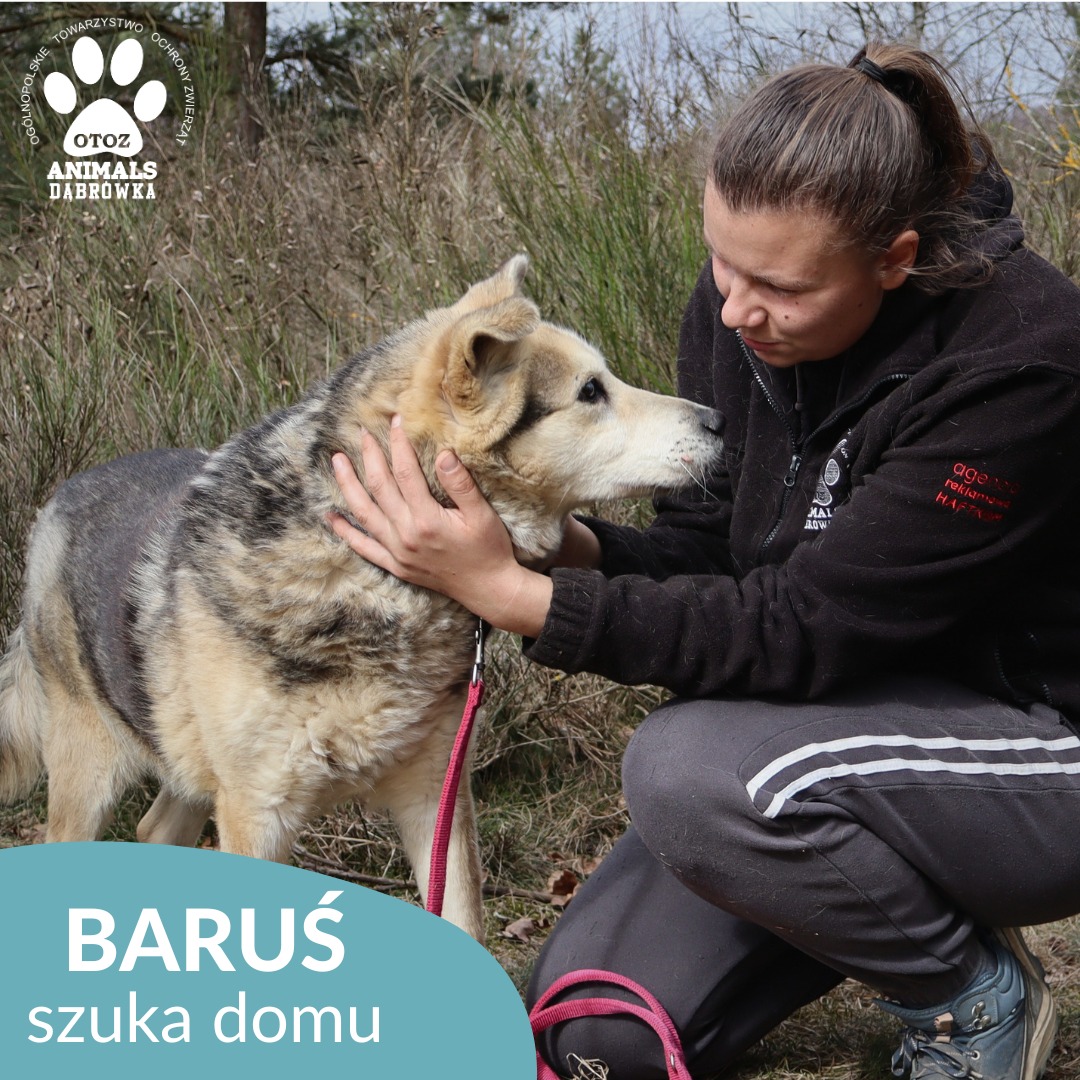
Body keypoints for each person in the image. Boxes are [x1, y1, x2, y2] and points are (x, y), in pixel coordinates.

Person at [328, 43, 1080, 1080]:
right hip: (850, 727)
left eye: (776, 286)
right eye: (723, 263)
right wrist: (554, 546)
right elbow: (713, 549)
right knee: (599, 1034)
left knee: (687, 770)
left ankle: (967, 992)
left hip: (1041, 741)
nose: (732, 310)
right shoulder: (749, 310)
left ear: (895, 258)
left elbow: (804, 629)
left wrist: (511, 594)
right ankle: (881, 890)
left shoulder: (1023, 361)